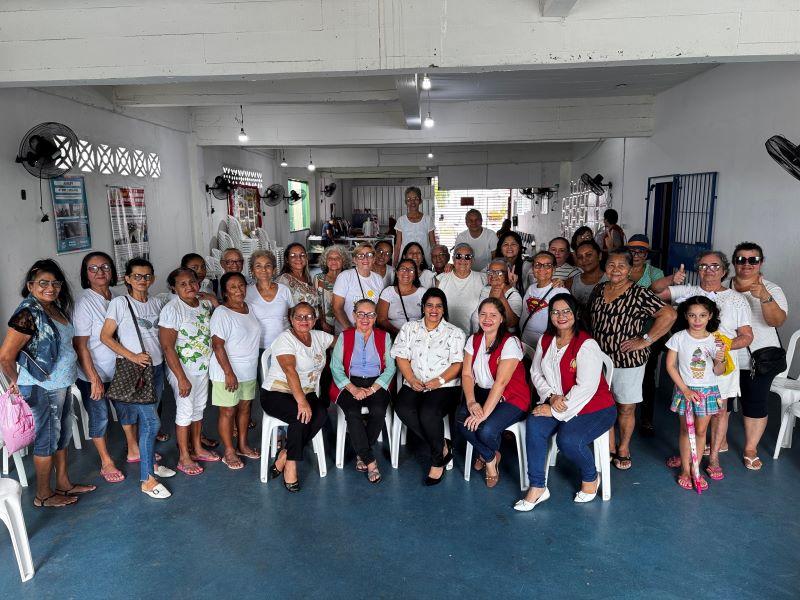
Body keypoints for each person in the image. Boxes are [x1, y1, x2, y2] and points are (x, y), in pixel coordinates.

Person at [0, 259, 95, 507]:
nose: (50, 287)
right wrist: (16, 381)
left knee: (61, 437)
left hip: (61, 385)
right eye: (43, 283)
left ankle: (63, 484)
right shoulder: (27, 313)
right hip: (42, 387)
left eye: (55, 283)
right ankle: (43, 495)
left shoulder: (54, 308)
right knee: (47, 439)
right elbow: (5, 356)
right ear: (31, 286)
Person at [652, 250, 753, 479]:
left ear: (725, 270)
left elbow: (747, 336)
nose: (709, 270)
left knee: (719, 413)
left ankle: (714, 456)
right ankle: (688, 456)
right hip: (690, 365)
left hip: (720, 364)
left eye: (715, 266)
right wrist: (671, 279)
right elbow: (655, 291)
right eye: (704, 266)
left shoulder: (736, 300)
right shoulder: (689, 292)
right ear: (697, 270)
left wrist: (723, 347)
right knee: (689, 415)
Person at [514, 294, 617, 511]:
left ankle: (591, 477)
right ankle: (538, 486)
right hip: (557, 401)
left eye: (566, 311)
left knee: (568, 440)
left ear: (575, 313)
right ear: (549, 316)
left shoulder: (586, 344)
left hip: (595, 407)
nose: (561, 316)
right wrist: (551, 396)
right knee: (534, 423)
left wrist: (553, 410)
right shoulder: (545, 340)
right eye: (555, 312)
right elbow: (536, 372)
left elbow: (586, 388)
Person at [587, 248, 676, 471]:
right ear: (605, 266)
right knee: (604, 405)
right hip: (600, 359)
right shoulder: (599, 289)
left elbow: (669, 314)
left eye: (621, 266)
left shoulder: (639, 293)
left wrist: (645, 340)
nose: (615, 270)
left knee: (625, 407)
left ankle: (624, 447)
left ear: (629, 269)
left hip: (628, 360)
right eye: (611, 265)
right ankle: (608, 445)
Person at [100, 258, 175, 499]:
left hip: (157, 369)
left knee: (150, 422)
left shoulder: (156, 303)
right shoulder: (120, 304)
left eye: (146, 276)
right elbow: (106, 337)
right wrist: (132, 356)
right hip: (137, 372)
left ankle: (150, 466)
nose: (142, 281)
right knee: (152, 423)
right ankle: (146, 479)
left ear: (152, 278)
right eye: (137, 276)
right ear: (127, 279)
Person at [391, 288, 465, 486]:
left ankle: (436, 461)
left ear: (444, 309)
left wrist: (438, 381)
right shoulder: (409, 328)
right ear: (423, 307)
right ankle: (441, 446)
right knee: (402, 408)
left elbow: (457, 364)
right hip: (415, 382)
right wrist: (411, 378)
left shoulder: (455, 333)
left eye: (438, 306)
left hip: (445, 386)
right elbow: (401, 356)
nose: (434, 310)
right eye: (430, 305)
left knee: (428, 412)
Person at [72, 252, 133, 484]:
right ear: (86, 274)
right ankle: (106, 461)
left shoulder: (116, 297)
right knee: (100, 417)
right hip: (93, 373)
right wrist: (93, 377)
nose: (100, 272)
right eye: (93, 268)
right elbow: (80, 344)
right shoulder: (84, 302)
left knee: (128, 411)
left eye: (105, 267)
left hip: (119, 370)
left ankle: (134, 449)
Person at [261, 303, 334, 492]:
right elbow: (289, 370)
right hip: (276, 393)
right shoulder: (285, 339)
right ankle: (291, 466)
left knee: (321, 415)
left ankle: (285, 454)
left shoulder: (319, 337)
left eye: (309, 316)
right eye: (299, 317)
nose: (304, 320)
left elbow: (342, 341)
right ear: (291, 320)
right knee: (300, 417)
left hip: (307, 392)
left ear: (315, 320)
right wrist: (301, 402)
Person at [459, 298, 529, 488]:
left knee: (486, 429)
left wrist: (483, 415)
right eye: (483, 314)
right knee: (461, 421)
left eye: (493, 315)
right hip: (483, 393)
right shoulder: (473, 340)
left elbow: (501, 383)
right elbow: (466, 374)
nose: (487, 319)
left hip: (512, 397)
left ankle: (485, 456)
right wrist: (472, 402)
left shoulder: (510, 342)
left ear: (501, 319)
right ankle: (491, 457)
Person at [730, 242, 788, 470]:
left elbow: (777, 321)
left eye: (752, 260)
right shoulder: (724, 286)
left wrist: (764, 296)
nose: (746, 264)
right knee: (720, 403)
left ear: (761, 262)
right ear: (734, 262)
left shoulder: (772, 289)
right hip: (726, 356)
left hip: (759, 359)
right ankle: (719, 441)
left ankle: (750, 448)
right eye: (741, 259)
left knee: (755, 404)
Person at [159, 268, 218, 476]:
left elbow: (220, 315)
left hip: (202, 368)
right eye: (182, 284)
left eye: (192, 282)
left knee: (199, 409)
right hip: (183, 371)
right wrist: (181, 378)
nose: (189, 287)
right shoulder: (172, 309)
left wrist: (211, 298)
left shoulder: (203, 304)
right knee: (185, 411)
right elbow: (167, 347)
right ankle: (184, 456)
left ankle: (198, 448)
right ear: (173, 288)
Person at [329, 299, 396, 483]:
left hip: (377, 382)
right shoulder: (345, 336)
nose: (365, 318)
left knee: (379, 410)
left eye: (370, 314)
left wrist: (373, 388)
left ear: (375, 317)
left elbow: (390, 368)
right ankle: (371, 461)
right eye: (361, 314)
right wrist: (353, 388)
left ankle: (361, 454)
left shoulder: (384, 337)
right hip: (349, 381)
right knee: (352, 411)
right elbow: (335, 367)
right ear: (354, 315)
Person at [665, 296, 726, 491]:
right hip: (686, 390)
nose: (697, 320)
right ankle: (684, 469)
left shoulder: (716, 340)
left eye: (702, 315)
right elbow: (670, 366)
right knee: (685, 430)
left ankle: (695, 468)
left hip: (708, 391)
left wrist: (720, 359)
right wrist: (685, 389)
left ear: (710, 316)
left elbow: (719, 371)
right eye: (692, 315)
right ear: (686, 316)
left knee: (700, 432)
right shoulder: (679, 337)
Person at [209, 272, 262, 470]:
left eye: (241, 286)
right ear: (225, 291)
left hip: (248, 368)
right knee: (228, 410)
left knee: (245, 408)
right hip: (227, 370)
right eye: (233, 287)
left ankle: (242, 445)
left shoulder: (249, 308)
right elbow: (217, 345)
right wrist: (229, 373)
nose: (238, 290)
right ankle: (229, 451)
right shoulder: (222, 313)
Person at [626, 234, 665, 436]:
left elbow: (657, 298)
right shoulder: (619, 267)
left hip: (649, 329)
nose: (636, 255)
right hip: (622, 329)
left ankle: (647, 418)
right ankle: (621, 411)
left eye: (640, 251)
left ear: (646, 254)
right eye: (632, 251)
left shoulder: (655, 272)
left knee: (647, 372)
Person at [520, 251, 570, 348]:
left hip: (545, 347)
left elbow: (567, 324)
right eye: (537, 265)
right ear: (533, 269)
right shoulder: (531, 288)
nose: (542, 269)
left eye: (547, 265)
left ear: (554, 269)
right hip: (525, 344)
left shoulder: (560, 292)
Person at [435, 243, 487, 334]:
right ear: (453, 259)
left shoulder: (483, 278)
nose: (463, 260)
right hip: (444, 336)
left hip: (472, 337)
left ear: (473, 260)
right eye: (459, 256)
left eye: (467, 256)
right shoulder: (441, 279)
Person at [332, 242, 385, 332]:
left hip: (369, 332)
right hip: (346, 330)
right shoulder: (345, 276)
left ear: (374, 259)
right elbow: (337, 308)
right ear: (354, 260)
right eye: (360, 255)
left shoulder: (378, 279)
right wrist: (351, 331)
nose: (365, 258)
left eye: (369, 255)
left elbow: (378, 309)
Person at [469, 258, 522, 333]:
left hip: (499, 343)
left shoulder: (513, 295)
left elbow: (511, 324)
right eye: (490, 272)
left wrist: (502, 298)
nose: (493, 275)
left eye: (499, 272)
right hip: (479, 340)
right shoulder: (485, 289)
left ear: (507, 275)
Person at [376, 258, 426, 336]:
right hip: (392, 336)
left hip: (417, 337)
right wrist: (399, 333)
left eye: (411, 270)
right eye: (403, 269)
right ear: (396, 273)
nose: (406, 272)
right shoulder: (388, 291)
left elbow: (429, 317)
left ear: (415, 275)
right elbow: (381, 320)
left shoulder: (423, 292)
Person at [393, 186, 436, 265]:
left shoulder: (428, 219)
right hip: (406, 261)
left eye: (415, 199)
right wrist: (394, 264)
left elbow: (433, 243)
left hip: (425, 261)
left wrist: (435, 261)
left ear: (420, 201)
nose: (412, 202)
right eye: (409, 199)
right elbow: (398, 245)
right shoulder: (401, 220)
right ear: (406, 202)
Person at [314, 245, 349, 334]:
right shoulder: (318, 279)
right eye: (330, 258)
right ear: (325, 261)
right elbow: (316, 304)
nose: (333, 261)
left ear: (343, 261)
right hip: (325, 324)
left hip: (345, 323)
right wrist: (322, 323)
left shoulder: (349, 278)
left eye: (337, 258)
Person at [276, 243, 320, 311]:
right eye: (293, 255)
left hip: (314, 320)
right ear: (287, 259)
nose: (298, 258)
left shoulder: (308, 277)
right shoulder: (283, 281)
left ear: (306, 257)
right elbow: (280, 309)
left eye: (302, 255)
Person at [565, 240, 606, 310]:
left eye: (589, 255)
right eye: (580, 257)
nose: (584, 260)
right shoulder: (570, 282)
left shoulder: (611, 280)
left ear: (599, 256)